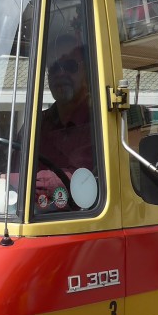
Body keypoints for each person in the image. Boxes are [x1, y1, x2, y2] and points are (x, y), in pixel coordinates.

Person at [33, 34, 96, 210]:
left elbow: (77, 179)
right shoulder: (36, 125)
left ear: (87, 73)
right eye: (54, 67)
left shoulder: (100, 125)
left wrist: (4, 180)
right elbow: (7, 163)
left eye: (69, 66)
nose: (60, 73)